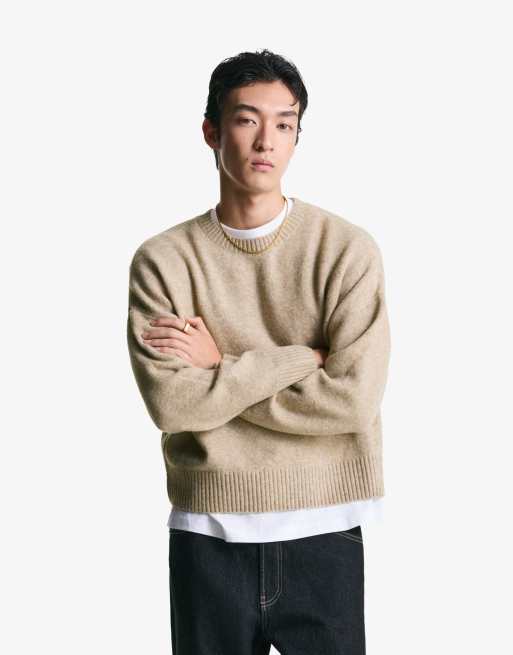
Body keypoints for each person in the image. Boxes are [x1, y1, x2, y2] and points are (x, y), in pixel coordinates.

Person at [127, 48, 391, 655]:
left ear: (297, 136)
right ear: (211, 132)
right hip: (206, 534)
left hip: (325, 528)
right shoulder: (164, 261)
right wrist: (301, 359)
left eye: (285, 124)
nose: (266, 141)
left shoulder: (346, 251)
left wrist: (218, 369)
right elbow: (172, 403)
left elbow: (352, 400)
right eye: (247, 120)